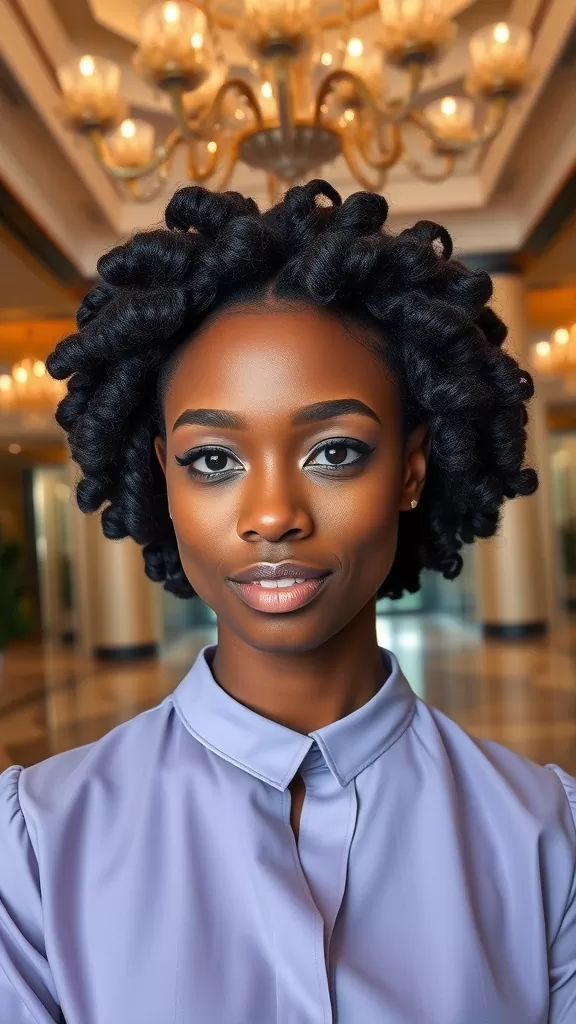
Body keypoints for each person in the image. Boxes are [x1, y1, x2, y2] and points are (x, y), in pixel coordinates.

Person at [0, 180, 574, 1024]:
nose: (272, 515)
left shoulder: (546, 839)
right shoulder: (35, 848)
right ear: (164, 478)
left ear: (410, 471)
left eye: (335, 451)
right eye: (213, 460)